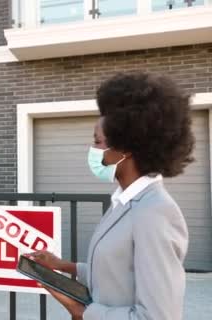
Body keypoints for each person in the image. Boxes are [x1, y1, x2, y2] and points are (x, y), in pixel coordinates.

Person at [27, 72, 193, 320]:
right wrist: (61, 266)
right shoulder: (124, 202)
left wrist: (82, 312)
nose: (92, 150)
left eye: (97, 142)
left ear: (125, 149)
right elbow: (117, 271)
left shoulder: (155, 212)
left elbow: (157, 316)